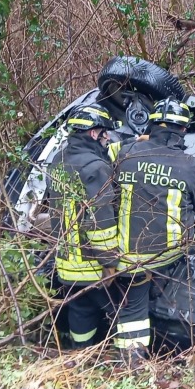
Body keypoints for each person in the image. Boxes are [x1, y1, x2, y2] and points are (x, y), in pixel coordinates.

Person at [109, 98, 195, 365]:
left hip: (125, 252)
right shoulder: (188, 165)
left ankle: (128, 357)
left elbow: (106, 153)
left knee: (131, 301)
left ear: (152, 124)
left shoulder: (127, 153)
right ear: (183, 130)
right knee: (134, 310)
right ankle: (132, 362)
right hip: (167, 255)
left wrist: (139, 140)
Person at [47, 102, 120, 350]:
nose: (107, 137)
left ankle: (82, 354)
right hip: (93, 264)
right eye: (104, 132)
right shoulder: (96, 168)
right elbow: (101, 223)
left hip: (67, 264)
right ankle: (121, 358)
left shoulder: (56, 161)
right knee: (120, 309)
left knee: (80, 310)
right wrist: (110, 263)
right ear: (92, 133)